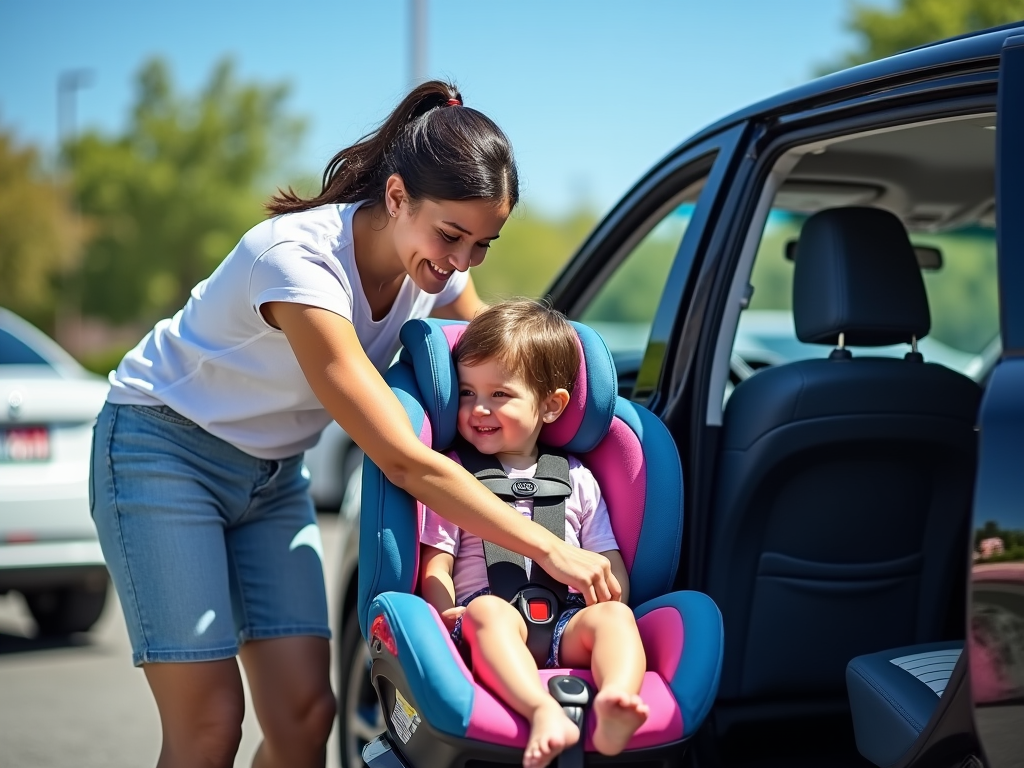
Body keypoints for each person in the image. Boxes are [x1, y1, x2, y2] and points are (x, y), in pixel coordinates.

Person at [90, 81, 620, 768]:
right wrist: (550, 550)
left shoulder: (436, 267)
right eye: (452, 236)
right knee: (209, 726)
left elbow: (500, 359)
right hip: (160, 451)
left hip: (274, 475)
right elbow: (402, 461)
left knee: (308, 718)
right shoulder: (298, 261)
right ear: (396, 196)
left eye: (483, 245)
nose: (460, 263)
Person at [419, 300, 649, 768]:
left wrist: (608, 601)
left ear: (550, 405)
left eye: (499, 394)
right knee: (488, 612)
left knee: (616, 621)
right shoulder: (452, 476)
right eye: (465, 393)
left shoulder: (578, 478)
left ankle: (616, 702)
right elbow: (437, 562)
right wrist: (445, 613)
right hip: (489, 617)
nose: (478, 408)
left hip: (566, 620)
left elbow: (608, 565)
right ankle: (543, 709)